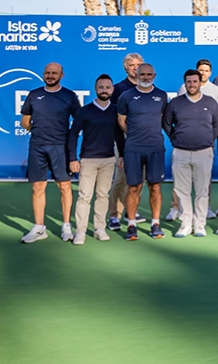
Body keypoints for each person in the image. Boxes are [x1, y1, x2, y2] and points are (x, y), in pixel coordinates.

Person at [20, 62, 81, 243]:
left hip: (61, 147)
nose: (50, 75)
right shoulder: (34, 95)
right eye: (47, 73)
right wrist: (41, 132)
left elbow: (78, 121)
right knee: (38, 187)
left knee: (65, 186)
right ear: (43, 75)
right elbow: (25, 121)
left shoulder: (69, 96)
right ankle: (39, 228)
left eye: (54, 73)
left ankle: (66, 227)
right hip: (37, 146)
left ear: (61, 75)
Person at [164, 69, 218, 238]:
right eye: (188, 82)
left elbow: (217, 125)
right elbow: (167, 123)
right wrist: (175, 138)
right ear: (185, 83)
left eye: (194, 81)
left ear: (200, 83)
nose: (191, 85)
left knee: (202, 190)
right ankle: (185, 223)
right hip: (180, 152)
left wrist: (207, 139)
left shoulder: (210, 102)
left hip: (203, 152)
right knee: (182, 190)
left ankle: (199, 224)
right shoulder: (175, 103)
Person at [117, 63, 168, 241]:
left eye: (149, 74)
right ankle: (132, 224)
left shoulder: (161, 95)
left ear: (154, 75)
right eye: (142, 74)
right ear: (136, 75)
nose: (146, 77)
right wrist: (134, 135)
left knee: (155, 187)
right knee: (133, 187)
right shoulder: (126, 96)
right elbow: (121, 121)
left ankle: (155, 223)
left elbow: (162, 119)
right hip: (133, 148)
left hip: (155, 148)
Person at [67, 74, 117, 245]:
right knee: (84, 196)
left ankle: (99, 228)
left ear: (112, 89)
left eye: (107, 87)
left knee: (103, 195)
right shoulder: (84, 111)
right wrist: (73, 158)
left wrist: (122, 155)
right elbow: (73, 134)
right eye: (101, 87)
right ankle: (80, 231)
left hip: (109, 159)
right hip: (88, 160)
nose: (104, 90)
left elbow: (119, 135)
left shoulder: (115, 110)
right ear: (96, 89)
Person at [108, 52, 144, 231]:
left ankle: (133, 211)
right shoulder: (118, 89)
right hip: (124, 140)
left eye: (139, 65)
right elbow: (116, 120)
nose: (136, 68)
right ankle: (114, 215)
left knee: (140, 178)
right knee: (121, 178)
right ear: (126, 68)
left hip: (143, 141)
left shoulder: (148, 87)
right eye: (132, 65)